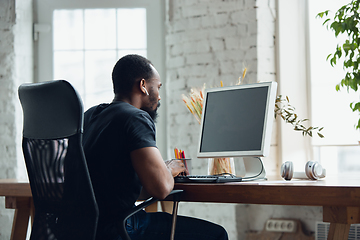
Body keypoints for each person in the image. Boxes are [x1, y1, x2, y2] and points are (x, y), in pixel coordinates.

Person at [82, 54, 229, 240]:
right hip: (121, 227)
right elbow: (161, 189)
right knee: (217, 235)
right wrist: (168, 169)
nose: (159, 96)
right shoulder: (135, 118)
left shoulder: (90, 116)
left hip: (86, 229)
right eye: (157, 87)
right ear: (143, 85)